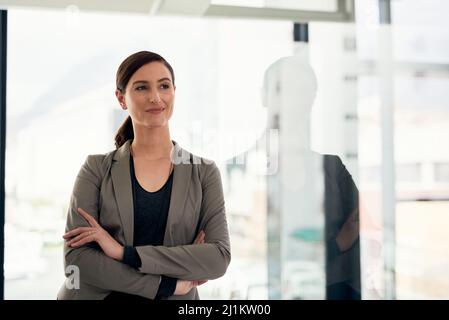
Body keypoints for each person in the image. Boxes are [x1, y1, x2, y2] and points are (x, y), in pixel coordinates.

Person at [57, 51, 231, 300]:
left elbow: (217, 259)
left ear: (173, 91)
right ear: (121, 98)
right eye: (141, 88)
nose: (155, 97)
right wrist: (167, 283)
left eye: (164, 86)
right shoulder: (96, 169)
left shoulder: (203, 172)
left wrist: (122, 253)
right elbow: (78, 261)